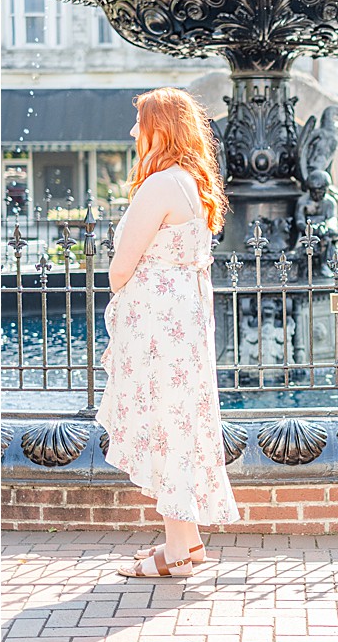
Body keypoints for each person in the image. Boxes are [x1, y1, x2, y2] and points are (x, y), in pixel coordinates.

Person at [97, 87, 239, 578]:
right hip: (184, 319)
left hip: (158, 322)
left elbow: (120, 266)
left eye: (142, 123)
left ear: (162, 128)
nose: (134, 132)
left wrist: (122, 279)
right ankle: (187, 542)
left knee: (166, 423)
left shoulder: (158, 186)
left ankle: (178, 552)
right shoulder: (192, 183)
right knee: (180, 421)